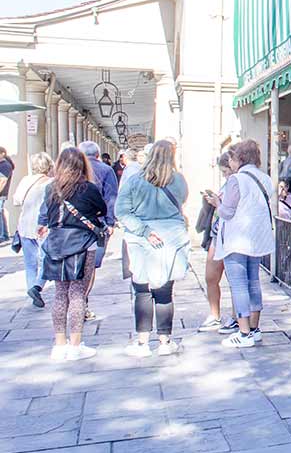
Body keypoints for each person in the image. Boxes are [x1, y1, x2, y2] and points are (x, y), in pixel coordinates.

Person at [115, 140, 190, 357]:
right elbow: (182, 200)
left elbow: (122, 211)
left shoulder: (134, 180)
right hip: (170, 239)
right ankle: (165, 341)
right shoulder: (178, 180)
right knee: (165, 291)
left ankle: (143, 342)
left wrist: (144, 229)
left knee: (142, 289)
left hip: (141, 240)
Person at [39, 147, 107, 361]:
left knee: (60, 293)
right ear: (82, 165)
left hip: (57, 243)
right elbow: (102, 210)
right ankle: (76, 345)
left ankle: (59, 345)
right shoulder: (88, 188)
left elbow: (48, 214)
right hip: (82, 243)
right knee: (77, 293)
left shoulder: (51, 188)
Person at [209, 139, 275, 349]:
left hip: (238, 239)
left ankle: (244, 331)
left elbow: (227, 212)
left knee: (238, 284)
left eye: (233, 157)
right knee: (254, 281)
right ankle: (254, 328)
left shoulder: (236, 180)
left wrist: (216, 203)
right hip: (257, 237)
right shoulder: (265, 179)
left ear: (240, 158)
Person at [197, 151, 238, 333]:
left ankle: (238, 316)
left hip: (230, 235)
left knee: (235, 279)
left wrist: (217, 203)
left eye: (226, 171)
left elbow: (231, 209)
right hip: (217, 233)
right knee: (210, 276)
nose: (225, 175)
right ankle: (215, 314)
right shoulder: (228, 183)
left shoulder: (237, 183)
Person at [78, 141, 118, 321]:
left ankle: (76, 302)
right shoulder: (106, 170)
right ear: (98, 154)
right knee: (91, 266)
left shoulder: (72, 170)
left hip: (73, 225)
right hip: (98, 224)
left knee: (75, 264)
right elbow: (111, 197)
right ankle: (83, 302)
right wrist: (110, 222)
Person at [14, 152, 54, 308]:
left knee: (30, 262)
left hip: (25, 225)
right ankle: (37, 286)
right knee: (47, 259)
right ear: (49, 165)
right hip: (44, 226)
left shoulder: (25, 181)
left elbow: (17, 201)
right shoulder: (51, 182)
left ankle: (32, 289)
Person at [0, 146, 13, 242]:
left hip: (1, 193)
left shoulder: (5, 165)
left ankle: (2, 235)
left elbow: (2, 181)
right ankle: (4, 234)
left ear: (2, 154)